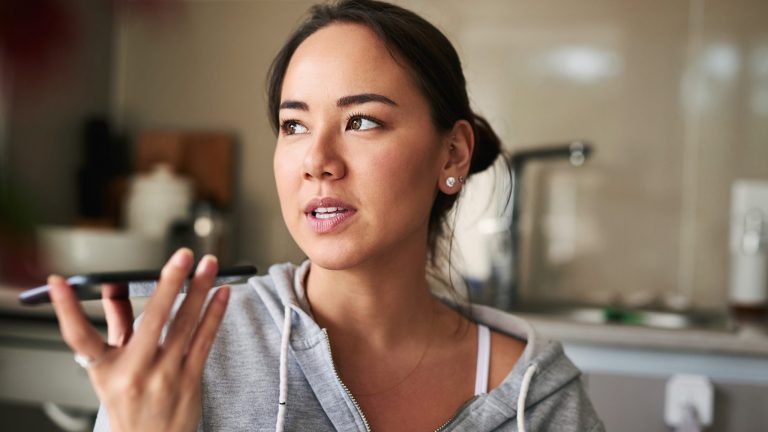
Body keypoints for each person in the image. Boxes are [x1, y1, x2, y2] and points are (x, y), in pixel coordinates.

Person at [49, 0, 604, 430]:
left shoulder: (538, 397)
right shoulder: (191, 349)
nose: (317, 162)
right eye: (294, 126)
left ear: (452, 154)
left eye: (361, 121)